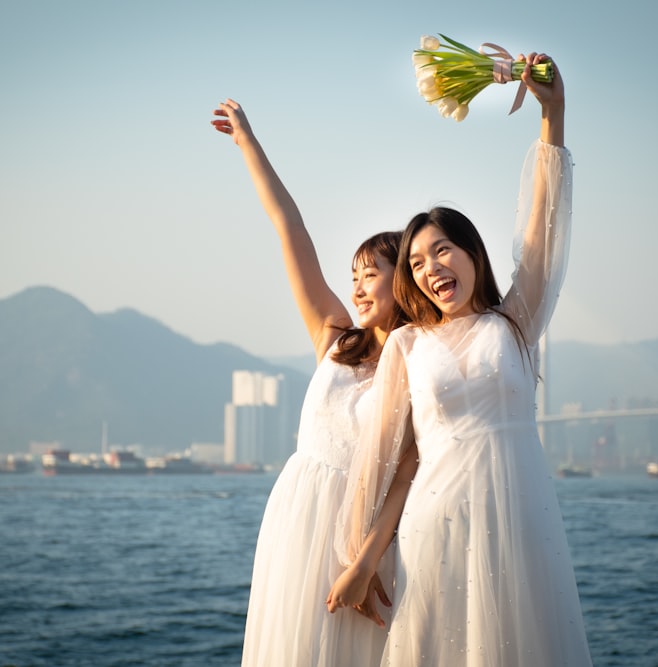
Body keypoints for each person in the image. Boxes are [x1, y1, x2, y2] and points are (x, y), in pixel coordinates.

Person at [326, 53, 593, 665]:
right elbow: (390, 468)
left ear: (471, 252)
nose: (432, 268)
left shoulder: (515, 321)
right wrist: (361, 562)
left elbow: (543, 226)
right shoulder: (407, 345)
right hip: (437, 524)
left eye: (442, 250)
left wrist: (552, 112)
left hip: (521, 528)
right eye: (417, 263)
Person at [211, 98, 408, 667]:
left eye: (371, 274)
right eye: (353, 277)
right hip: (298, 523)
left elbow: (410, 471)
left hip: (367, 537)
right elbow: (289, 228)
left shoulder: (420, 362)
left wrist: (366, 562)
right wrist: (248, 143)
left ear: (407, 279)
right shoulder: (335, 337)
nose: (357, 287)